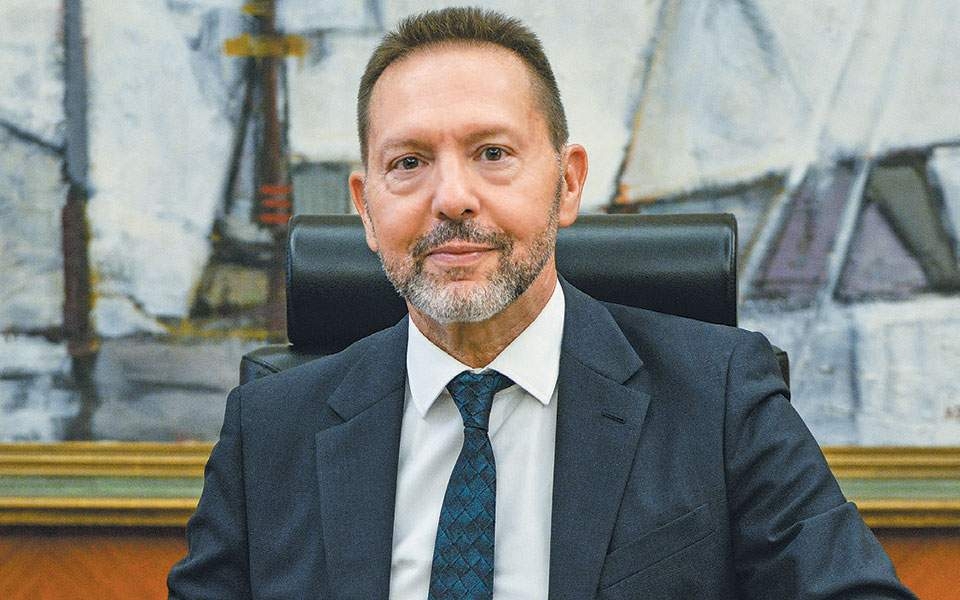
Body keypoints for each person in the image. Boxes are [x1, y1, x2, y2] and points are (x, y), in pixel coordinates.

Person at [168, 7, 915, 599]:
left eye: (492, 154)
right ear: (365, 207)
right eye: (409, 162)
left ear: (567, 183)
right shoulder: (269, 431)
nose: (451, 197)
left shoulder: (718, 399)